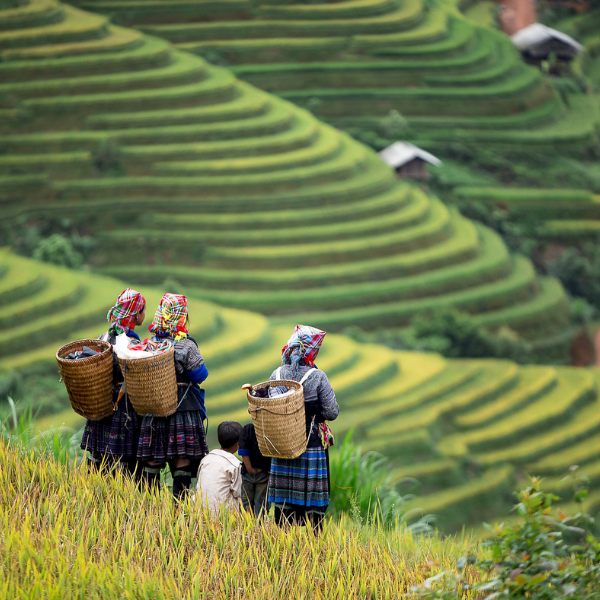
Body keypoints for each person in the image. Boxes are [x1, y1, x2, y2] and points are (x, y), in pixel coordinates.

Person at [137, 293, 209, 499]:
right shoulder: (185, 345)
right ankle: (180, 508)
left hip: (154, 409)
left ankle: (148, 506)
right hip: (182, 409)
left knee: (153, 459)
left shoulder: (150, 344)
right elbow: (200, 375)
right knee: (182, 459)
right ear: (180, 316)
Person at [267, 325, 339, 531]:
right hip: (311, 444)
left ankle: (283, 543)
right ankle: (313, 546)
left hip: (284, 444)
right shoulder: (318, 377)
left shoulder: (277, 374)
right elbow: (332, 411)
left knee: (284, 498)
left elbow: (274, 407)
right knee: (313, 502)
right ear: (312, 352)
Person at [80, 288, 146, 477]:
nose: (144, 314)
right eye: (143, 309)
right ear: (135, 314)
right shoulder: (131, 342)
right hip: (124, 405)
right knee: (123, 461)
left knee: (100, 459)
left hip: (102, 402)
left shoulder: (104, 336)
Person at [196, 421, 243, 513]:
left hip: (201, 513)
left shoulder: (205, 460)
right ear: (238, 444)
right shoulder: (235, 465)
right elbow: (239, 493)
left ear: (218, 439)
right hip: (224, 517)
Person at [238, 422, 271, 518]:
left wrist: (249, 468)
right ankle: (260, 528)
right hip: (264, 472)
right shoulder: (271, 430)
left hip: (248, 473)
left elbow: (243, 450)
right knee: (261, 504)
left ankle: (249, 528)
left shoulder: (248, 429)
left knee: (246, 503)